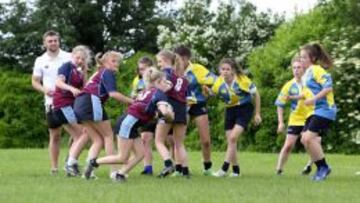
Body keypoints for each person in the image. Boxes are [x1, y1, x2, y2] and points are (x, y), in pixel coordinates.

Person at [84, 67, 174, 182]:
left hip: (130, 123)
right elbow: (164, 112)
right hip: (127, 124)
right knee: (122, 157)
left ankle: (120, 175)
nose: (167, 84)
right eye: (165, 81)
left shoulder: (147, 91)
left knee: (140, 154)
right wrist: (170, 114)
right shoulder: (159, 93)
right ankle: (93, 162)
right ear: (158, 82)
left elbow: (146, 110)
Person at [74, 51, 133, 179]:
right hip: (90, 101)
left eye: (118, 61)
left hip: (79, 104)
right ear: (105, 62)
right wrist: (132, 102)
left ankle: (88, 173)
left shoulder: (100, 72)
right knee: (108, 135)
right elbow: (113, 94)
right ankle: (114, 172)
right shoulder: (107, 72)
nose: (116, 64)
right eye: (113, 61)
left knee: (97, 140)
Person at [211, 58, 261, 177]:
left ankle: (224, 169)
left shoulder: (242, 80)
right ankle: (236, 170)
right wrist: (207, 92)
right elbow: (212, 93)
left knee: (233, 138)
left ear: (233, 70)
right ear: (219, 70)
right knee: (231, 142)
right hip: (230, 110)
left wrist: (257, 113)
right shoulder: (218, 82)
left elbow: (256, 94)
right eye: (223, 69)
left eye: (228, 69)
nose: (225, 71)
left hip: (244, 109)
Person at [31, 30, 72, 175]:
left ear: (59, 41)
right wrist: (44, 89)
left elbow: (78, 75)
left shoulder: (68, 56)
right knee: (55, 136)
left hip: (70, 101)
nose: (53, 43)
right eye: (50, 41)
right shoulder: (40, 60)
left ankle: (70, 162)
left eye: (55, 40)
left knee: (79, 133)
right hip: (51, 102)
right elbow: (34, 82)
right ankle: (54, 168)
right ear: (45, 43)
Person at [174, 45, 216, 175]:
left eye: (179, 59)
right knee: (179, 140)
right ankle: (179, 169)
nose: (177, 62)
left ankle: (207, 168)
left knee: (206, 141)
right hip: (181, 105)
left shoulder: (198, 69)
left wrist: (210, 89)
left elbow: (216, 81)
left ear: (186, 58)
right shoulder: (173, 70)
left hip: (198, 104)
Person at [51, 45, 92, 177]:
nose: (79, 60)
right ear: (72, 56)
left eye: (82, 58)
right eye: (77, 57)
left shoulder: (78, 71)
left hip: (70, 105)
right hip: (63, 105)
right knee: (84, 133)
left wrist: (85, 71)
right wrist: (71, 89)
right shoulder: (67, 66)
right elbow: (58, 82)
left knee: (78, 136)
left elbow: (85, 87)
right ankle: (70, 164)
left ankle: (70, 164)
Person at [300, 43, 336, 181]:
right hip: (317, 110)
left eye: (304, 57)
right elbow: (307, 93)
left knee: (308, 138)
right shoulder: (307, 73)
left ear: (313, 58)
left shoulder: (317, 70)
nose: (301, 60)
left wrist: (313, 99)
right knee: (304, 139)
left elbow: (328, 88)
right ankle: (321, 167)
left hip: (326, 109)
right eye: (300, 57)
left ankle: (323, 168)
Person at [275, 55, 317, 175]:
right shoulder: (288, 86)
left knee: (307, 142)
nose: (296, 70)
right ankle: (279, 170)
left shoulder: (310, 83)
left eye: (299, 67)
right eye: (294, 68)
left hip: (310, 117)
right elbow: (280, 104)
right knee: (288, 145)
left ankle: (310, 164)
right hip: (295, 119)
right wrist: (280, 122)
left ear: (304, 68)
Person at [155, 50, 190, 178]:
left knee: (159, 140)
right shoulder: (182, 76)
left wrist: (156, 88)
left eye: (159, 61)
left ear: (166, 60)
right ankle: (185, 171)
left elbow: (166, 87)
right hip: (182, 108)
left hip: (169, 107)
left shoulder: (165, 73)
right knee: (179, 143)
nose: (158, 64)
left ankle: (168, 163)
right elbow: (186, 96)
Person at [131, 57, 157, 175]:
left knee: (171, 140)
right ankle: (148, 168)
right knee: (145, 139)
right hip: (146, 114)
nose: (142, 72)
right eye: (140, 69)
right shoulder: (137, 80)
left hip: (159, 113)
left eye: (144, 69)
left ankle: (176, 166)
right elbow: (133, 94)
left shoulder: (158, 77)